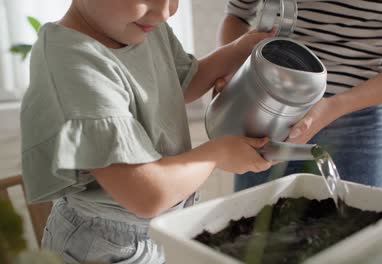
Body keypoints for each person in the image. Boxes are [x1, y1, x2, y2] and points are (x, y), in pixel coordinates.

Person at [20, 0, 275, 263]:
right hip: (108, 244)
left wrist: (238, 49)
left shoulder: (141, 27)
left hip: (165, 226)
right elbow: (146, 195)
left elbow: (181, 84)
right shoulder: (74, 62)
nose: (165, 12)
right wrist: (216, 155)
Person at [218, 0, 382, 191]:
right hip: (266, 116)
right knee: (253, 244)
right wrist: (239, 73)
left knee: (358, 244)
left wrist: (337, 105)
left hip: (358, 123)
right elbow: (237, 16)